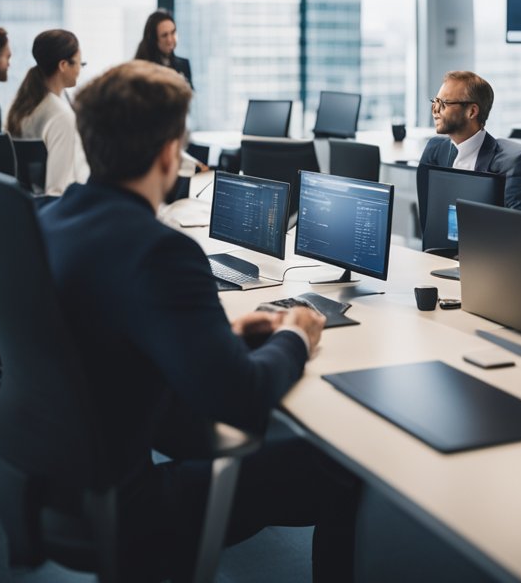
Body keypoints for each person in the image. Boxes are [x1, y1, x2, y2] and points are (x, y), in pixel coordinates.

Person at [38, 60, 358, 582]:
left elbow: (107, 338)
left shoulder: (50, 220)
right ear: (170, 154)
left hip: (53, 487)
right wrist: (297, 335)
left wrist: (222, 337)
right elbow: (244, 401)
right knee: (340, 471)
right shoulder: (160, 250)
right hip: (129, 508)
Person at [418, 70, 521, 212]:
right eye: (435, 102)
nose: (435, 110)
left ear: (472, 112)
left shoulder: (515, 162)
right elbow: (429, 220)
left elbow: (518, 227)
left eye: (444, 103)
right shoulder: (434, 150)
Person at [4, 29, 90, 196]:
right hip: (59, 212)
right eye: (80, 63)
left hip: (24, 208)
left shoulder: (16, 108)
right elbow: (57, 190)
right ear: (63, 65)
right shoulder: (61, 115)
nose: (80, 70)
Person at [135, 8, 193, 89]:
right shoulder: (140, 70)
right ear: (153, 39)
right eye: (164, 35)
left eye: (173, 33)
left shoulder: (183, 64)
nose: (170, 40)